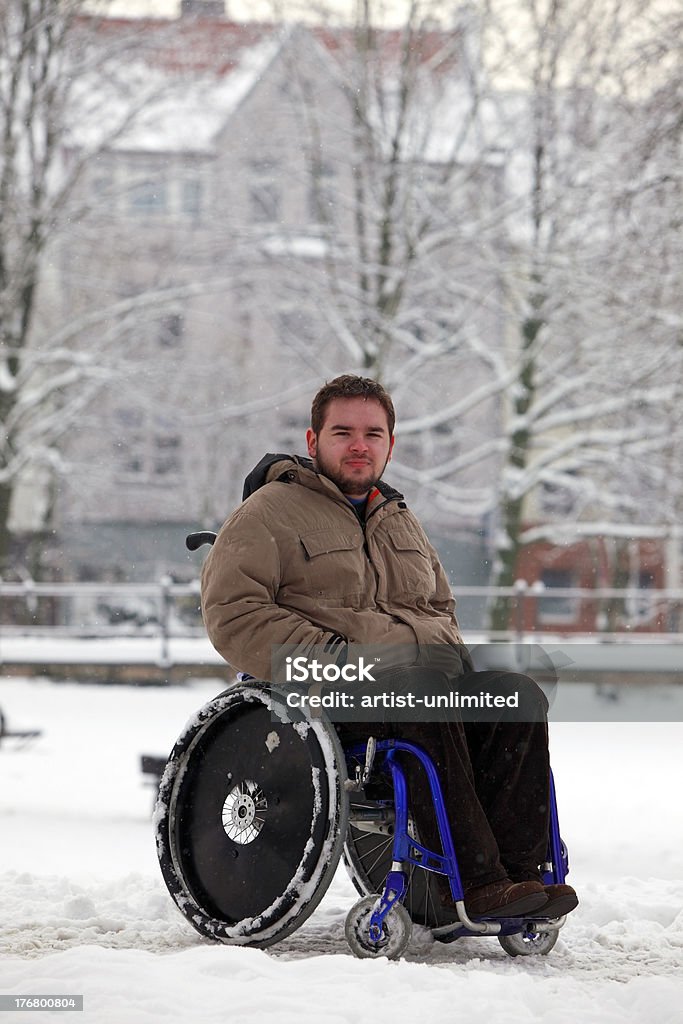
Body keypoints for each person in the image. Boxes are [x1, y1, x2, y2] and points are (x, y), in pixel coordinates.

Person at [201, 374, 578, 921]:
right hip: (328, 693)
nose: (360, 445)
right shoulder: (268, 513)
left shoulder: (398, 517)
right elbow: (234, 615)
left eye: (373, 433)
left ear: (390, 444)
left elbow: (439, 607)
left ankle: (523, 876)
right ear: (313, 442)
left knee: (515, 693)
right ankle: (479, 880)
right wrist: (335, 656)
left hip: (422, 686)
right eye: (343, 432)